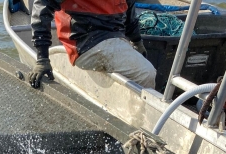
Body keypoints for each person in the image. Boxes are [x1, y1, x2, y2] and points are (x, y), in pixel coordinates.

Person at [28, 0, 156, 89]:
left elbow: (130, 17)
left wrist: (137, 42)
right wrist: (42, 59)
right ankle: (141, 124)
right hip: (86, 42)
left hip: (115, 38)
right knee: (145, 73)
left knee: (143, 66)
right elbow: (42, 8)